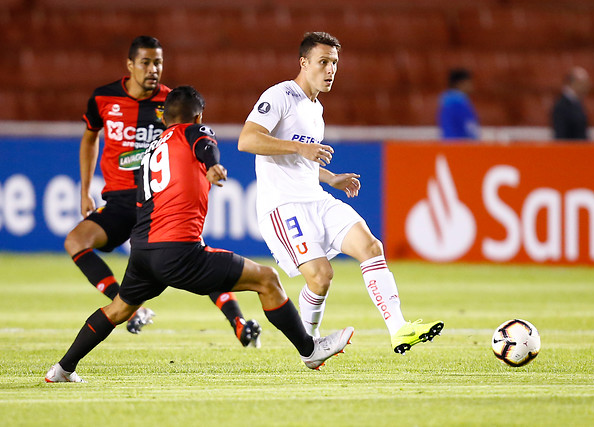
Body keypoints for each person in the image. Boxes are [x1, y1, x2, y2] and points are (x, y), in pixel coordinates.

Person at [45, 86, 354, 382]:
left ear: (164, 119)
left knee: (118, 309)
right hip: (179, 251)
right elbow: (205, 146)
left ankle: (62, 368)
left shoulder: (149, 152)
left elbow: (143, 203)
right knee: (267, 279)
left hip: (143, 252)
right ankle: (309, 350)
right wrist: (214, 166)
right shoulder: (195, 131)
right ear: (198, 117)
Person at [238, 32, 444, 355]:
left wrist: (330, 177)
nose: (330, 69)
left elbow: (299, 159)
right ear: (304, 63)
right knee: (321, 277)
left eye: (334, 63)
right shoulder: (280, 96)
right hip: (283, 206)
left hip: (316, 199)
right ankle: (309, 345)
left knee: (371, 246)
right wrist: (298, 148)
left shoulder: (315, 109)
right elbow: (247, 140)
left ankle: (399, 329)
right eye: (323, 62)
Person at [64, 36, 261, 346]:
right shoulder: (103, 98)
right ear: (130, 65)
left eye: (158, 63)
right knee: (76, 240)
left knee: (193, 258)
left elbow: (194, 140)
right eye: (146, 62)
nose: (153, 69)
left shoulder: (171, 104)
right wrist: (85, 189)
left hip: (158, 199)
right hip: (118, 201)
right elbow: (90, 138)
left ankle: (237, 321)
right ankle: (128, 306)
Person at [437, 68, 480, 140]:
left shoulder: (460, 102)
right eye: (469, 82)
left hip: (460, 145)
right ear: (460, 83)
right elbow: (467, 127)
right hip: (459, 146)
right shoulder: (454, 104)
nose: (471, 85)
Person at [551, 66, 590, 140]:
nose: (586, 86)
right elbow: (560, 135)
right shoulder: (561, 106)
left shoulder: (577, 102)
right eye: (583, 83)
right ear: (573, 82)